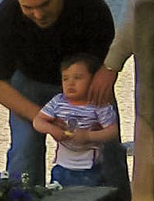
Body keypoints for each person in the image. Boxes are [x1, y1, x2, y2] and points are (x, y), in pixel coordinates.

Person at [0, 0, 117, 185]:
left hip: (86, 83)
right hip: (29, 84)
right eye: (28, 7)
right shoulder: (6, 16)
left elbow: (110, 56)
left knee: (106, 150)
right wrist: (41, 117)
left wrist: (108, 73)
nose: (38, 14)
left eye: (45, 4)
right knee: (25, 151)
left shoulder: (86, 0)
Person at [34, 52, 121, 189]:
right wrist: (52, 129)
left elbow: (112, 131)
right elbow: (38, 121)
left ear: (93, 81)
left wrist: (88, 136)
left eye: (78, 78)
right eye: (65, 79)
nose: (71, 83)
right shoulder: (58, 101)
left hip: (89, 168)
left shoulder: (98, 105)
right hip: (62, 166)